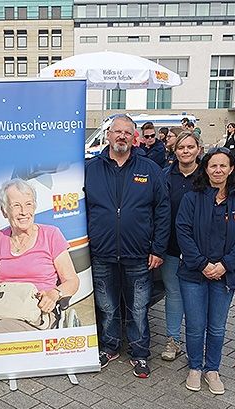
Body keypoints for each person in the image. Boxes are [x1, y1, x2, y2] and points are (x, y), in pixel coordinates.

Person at [85, 115, 170, 378]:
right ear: (108, 135)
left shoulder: (149, 169)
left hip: (138, 253)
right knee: (107, 306)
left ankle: (140, 352)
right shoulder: (90, 168)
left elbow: (163, 210)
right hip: (102, 252)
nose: (121, 136)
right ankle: (109, 346)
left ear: (134, 137)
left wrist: (158, 249)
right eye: (116, 131)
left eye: (126, 132)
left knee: (138, 308)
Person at [176, 147, 235, 394]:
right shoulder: (192, 198)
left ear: (231, 169)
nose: (218, 170)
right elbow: (183, 232)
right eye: (213, 166)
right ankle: (195, 367)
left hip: (224, 275)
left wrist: (224, 265)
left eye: (223, 166)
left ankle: (213, 369)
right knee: (196, 325)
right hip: (193, 273)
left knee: (217, 327)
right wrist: (203, 264)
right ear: (205, 169)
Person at [0, 178, 80, 333]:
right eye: (16, 205)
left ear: (34, 206)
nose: (23, 212)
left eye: (28, 204)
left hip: (38, 312)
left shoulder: (51, 235)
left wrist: (54, 294)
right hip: (3, 308)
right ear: (4, 211)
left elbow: (72, 281)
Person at [160, 132, 201, 361]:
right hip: (171, 246)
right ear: (174, 151)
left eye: (190, 147)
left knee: (196, 297)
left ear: (198, 149)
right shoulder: (165, 176)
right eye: (181, 147)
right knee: (174, 294)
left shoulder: (207, 177)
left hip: (200, 250)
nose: (185, 151)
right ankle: (173, 340)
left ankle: (197, 341)